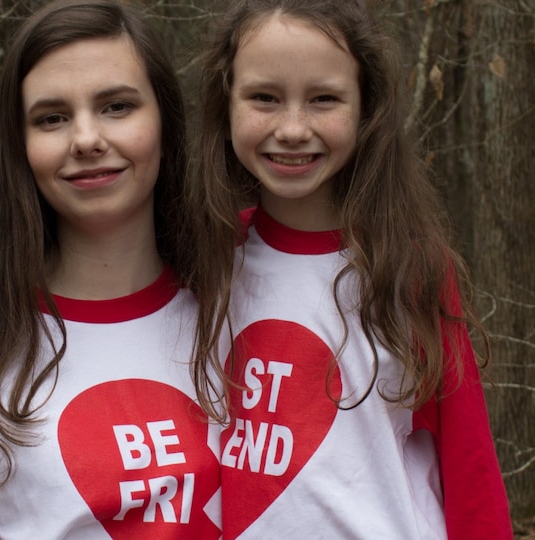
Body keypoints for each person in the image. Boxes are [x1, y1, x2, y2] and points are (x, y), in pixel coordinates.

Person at [0, 1, 224, 538]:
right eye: (52, 118)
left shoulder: (242, 309)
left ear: (165, 122)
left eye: (116, 107)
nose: (86, 140)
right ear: (20, 146)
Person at [192, 0, 513, 538]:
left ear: (366, 111)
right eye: (264, 98)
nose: (293, 129)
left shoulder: (408, 266)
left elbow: (468, 461)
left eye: (323, 99)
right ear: (226, 108)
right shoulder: (207, 261)